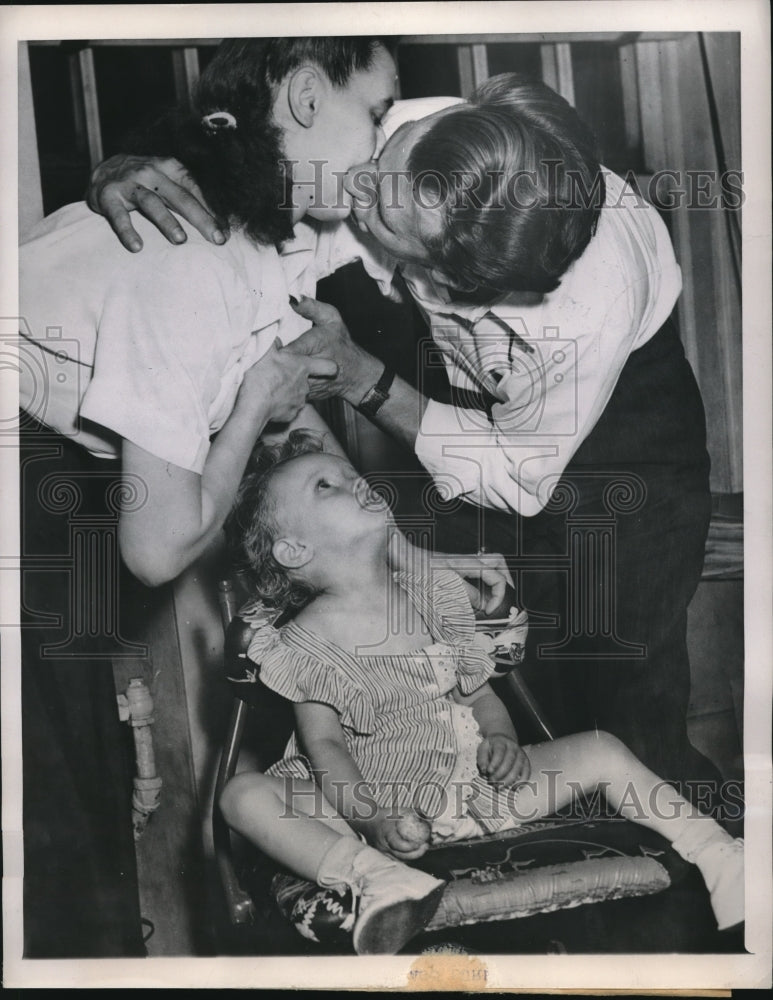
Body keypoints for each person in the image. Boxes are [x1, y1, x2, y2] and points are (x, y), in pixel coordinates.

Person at [89, 70, 725, 804]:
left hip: (626, 430)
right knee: (418, 630)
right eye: (381, 168)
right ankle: (448, 853)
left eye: (381, 217)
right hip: (451, 381)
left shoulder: (584, 307)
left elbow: (515, 476)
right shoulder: (388, 142)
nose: (353, 189)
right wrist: (134, 163)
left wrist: (365, 382)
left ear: (452, 281)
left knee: (625, 683)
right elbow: (234, 141)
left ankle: (693, 881)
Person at [19, 36, 506, 959]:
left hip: (57, 481)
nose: (382, 147)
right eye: (376, 112)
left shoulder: (292, 224)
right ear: (311, 95)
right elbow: (157, 550)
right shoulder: (183, 259)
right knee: (48, 827)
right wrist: (249, 408)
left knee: (74, 813)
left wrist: (408, 557)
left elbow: (299, 442)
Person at [217, 430, 744, 957]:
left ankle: (718, 852)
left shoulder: (438, 597)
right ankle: (377, 878)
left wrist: (501, 738)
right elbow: (325, 748)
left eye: (352, 473)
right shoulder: (303, 644)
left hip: (474, 787)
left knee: (601, 748)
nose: (355, 481)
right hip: (374, 803)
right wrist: (371, 820)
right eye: (326, 485)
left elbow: (479, 697)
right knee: (242, 795)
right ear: (294, 549)